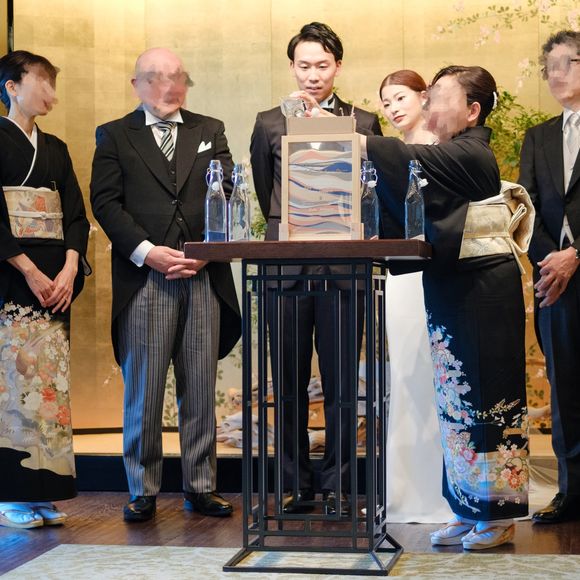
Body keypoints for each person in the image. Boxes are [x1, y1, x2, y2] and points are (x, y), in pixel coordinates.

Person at [348, 65, 530, 549]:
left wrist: (357, 142)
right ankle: (466, 507)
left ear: (473, 111)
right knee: (454, 398)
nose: (429, 106)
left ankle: (498, 513)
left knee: (490, 397)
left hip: (486, 286)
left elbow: (406, 158)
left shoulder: (474, 153)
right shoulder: (448, 152)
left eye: (441, 98)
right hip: (451, 281)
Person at [90, 47, 241, 522]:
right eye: (155, 77)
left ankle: (202, 486)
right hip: (145, 278)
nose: (168, 87)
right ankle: (142, 488)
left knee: (199, 386)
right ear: (136, 84)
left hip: (202, 275)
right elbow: (106, 203)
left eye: (177, 77)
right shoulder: (115, 134)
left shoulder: (210, 129)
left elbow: (229, 192)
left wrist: (206, 251)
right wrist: (147, 251)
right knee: (145, 388)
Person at [250, 22, 382, 516]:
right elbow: (265, 189)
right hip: (285, 264)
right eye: (303, 66)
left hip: (344, 264)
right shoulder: (269, 122)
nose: (312, 75)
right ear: (291, 67)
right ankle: (293, 483)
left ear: (338, 67)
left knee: (342, 380)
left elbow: (372, 188)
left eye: (322, 65)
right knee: (286, 379)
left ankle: (340, 485)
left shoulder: (363, 122)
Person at [0, 50, 90, 529]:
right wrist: (29, 270)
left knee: (50, 385)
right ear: (12, 87)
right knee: (14, 382)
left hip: (56, 282)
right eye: (42, 82)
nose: (51, 93)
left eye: (54, 84)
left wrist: (71, 267)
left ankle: (43, 491)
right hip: (12, 277)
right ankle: (10, 495)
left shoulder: (55, 147)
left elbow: (75, 214)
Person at [379, 69, 452, 524]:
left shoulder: (446, 148)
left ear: (425, 97)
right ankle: (404, 491)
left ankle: (450, 490)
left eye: (401, 97)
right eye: (386, 102)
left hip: (439, 270)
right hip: (399, 276)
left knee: (438, 372)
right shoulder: (388, 155)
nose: (393, 108)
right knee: (404, 373)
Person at [519, 30, 580, 524]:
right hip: (555, 281)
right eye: (549, 68)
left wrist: (577, 253)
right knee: (565, 389)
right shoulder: (537, 137)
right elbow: (527, 208)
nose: (555, 75)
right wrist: (551, 261)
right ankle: (571, 491)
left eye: (566, 63)